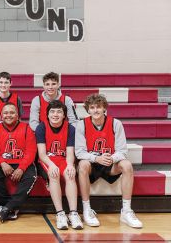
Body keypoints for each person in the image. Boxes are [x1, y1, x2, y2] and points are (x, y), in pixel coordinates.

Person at [76, 94, 143, 228]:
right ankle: (87, 209)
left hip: (109, 163)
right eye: (92, 107)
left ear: (104, 108)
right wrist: (96, 158)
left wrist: (112, 158)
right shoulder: (81, 124)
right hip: (92, 164)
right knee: (82, 164)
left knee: (127, 165)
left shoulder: (115, 123)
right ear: (88, 110)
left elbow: (122, 151)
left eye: (99, 107)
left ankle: (126, 211)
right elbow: (79, 152)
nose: (95, 110)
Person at [36, 100, 83, 230]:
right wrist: (51, 165)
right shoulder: (42, 127)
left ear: (64, 115)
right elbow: (41, 154)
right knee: (54, 174)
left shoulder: (70, 128)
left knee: (70, 175)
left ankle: (73, 213)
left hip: (63, 159)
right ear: (47, 114)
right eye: (52, 111)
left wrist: (70, 165)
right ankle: (60, 213)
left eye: (59, 111)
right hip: (47, 160)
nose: (55, 114)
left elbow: (69, 153)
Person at [0, 103, 37, 223]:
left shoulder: (27, 128)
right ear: (1, 115)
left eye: (12, 113)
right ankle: (7, 205)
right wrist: (2, 163)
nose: (8, 115)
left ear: (17, 115)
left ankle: (7, 208)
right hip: (3, 162)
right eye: (5, 113)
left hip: (21, 162)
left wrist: (21, 168)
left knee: (31, 176)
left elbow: (31, 151)